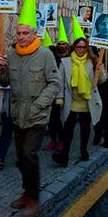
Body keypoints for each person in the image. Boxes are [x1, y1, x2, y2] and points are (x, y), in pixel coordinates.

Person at [0, 0, 61, 217]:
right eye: (19, 32)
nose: (22, 36)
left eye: (26, 33)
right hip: (16, 115)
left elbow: (55, 83)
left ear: (34, 33)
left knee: (29, 156)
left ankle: (33, 198)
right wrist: (0, 67)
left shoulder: (44, 55)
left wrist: (40, 106)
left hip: (36, 116)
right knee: (21, 159)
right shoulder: (12, 54)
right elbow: (5, 82)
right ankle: (26, 193)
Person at [52, 19, 105, 168]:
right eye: (78, 46)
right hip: (72, 100)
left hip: (87, 100)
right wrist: (59, 98)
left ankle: (83, 151)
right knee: (67, 129)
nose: (81, 49)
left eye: (83, 47)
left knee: (85, 128)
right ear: (74, 47)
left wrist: (100, 71)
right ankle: (64, 156)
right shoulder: (65, 62)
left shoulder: (93, 61)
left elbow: (102, 81)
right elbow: (60, 82)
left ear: (87, 48)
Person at [43, 20, 69, 152]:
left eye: (64, 44)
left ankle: (62, 141)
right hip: (51, 92)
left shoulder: (70, 58)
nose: (62, 46)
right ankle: (53, 140)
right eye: (60, 44)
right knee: (53, 118)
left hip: (65, 94)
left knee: (63, 119)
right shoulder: (53, 57)